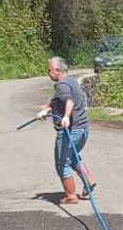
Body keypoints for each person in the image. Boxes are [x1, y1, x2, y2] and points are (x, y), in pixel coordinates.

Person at [37, 56, 95, 203]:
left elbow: (69, 101)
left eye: (49, 70)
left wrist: (66, 117)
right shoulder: (71, 81)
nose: (48, 73)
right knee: (72, 157)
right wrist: (45, 111)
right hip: (82, 129)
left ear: (57, 71)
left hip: (71, 130)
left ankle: (71, 196)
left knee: (62, 163)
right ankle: (88, 180)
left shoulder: (62, 85)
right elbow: (57, 103)